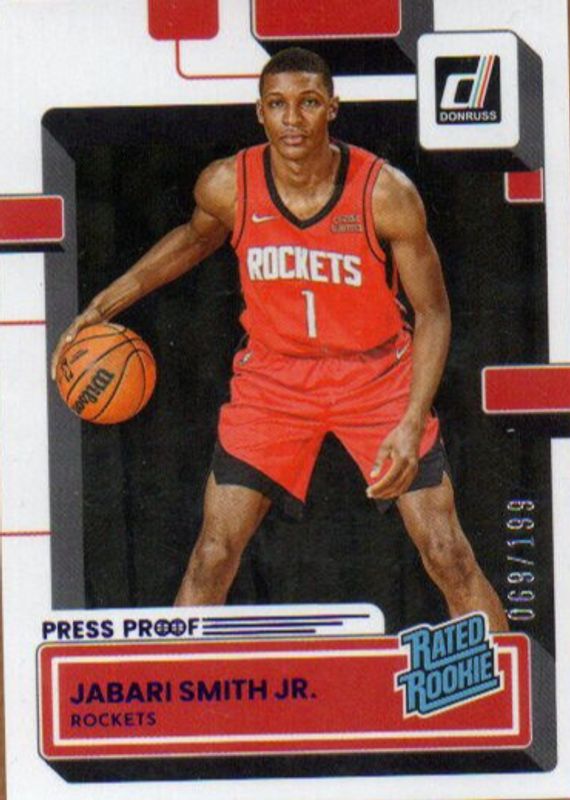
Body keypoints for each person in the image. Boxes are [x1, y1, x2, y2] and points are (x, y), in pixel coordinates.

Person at [52, 47, 508, 631]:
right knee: (212, 555)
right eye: (277, 104)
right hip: (276, 380)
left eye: (308, 102)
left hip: (376, 377)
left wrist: (412, 418)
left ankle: (504, 689)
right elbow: (193, 240)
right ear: (259, 112)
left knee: (446, 551)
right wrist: (101, 305)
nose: (293, 119)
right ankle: (179, 687)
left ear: (332, 108)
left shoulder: (384, 193)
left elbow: (433, 312)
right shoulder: (229, 185)